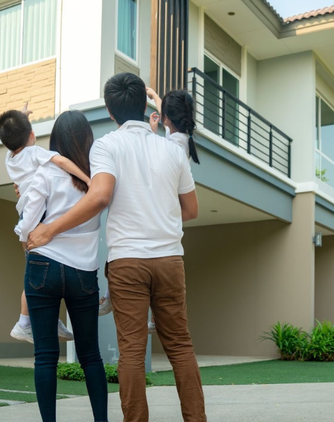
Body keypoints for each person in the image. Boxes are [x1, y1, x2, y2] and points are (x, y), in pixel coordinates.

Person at [27, 72, 206, 422]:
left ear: (110, 111)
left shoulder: (107, 146)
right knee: (181, 347)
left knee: (132, 352)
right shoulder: (172, 150)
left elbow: (100, 195)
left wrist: (48, 230)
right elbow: (191, 210)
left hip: (128, 265)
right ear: (144, 106)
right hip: (170, 260)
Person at [15, 110, 108, 422]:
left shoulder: (44, 173)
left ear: (55, 141)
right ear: (87, 141)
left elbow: (29, 225)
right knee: (91, 355)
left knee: (45, 356)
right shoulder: (98, 179)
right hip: (84, 273)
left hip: (43, 267)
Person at [97, 87, 200, 323]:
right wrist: (154, 100)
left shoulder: (171, 145)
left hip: (132, 255)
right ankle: (153, 314)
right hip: (169, 256)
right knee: (179, 340)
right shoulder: (178, 141)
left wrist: (153, 98)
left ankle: (112, 295)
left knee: (132, 342)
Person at [0, 103, 91, 344]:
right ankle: (23, 322)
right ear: (32, 135)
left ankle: (26, 321)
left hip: (25, 215)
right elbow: (63, 162)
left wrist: (23, 116)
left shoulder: (10, 158)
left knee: (31, 273)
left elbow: (17, 136)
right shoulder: (35, 153)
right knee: (37, 271)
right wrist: (88, 179)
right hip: (36, 216)